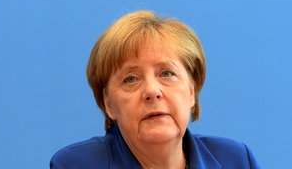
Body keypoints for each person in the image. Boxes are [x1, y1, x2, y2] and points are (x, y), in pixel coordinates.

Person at [50, 10, 260, 169]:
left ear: (191, 91)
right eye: (130, 79)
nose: (152, 91)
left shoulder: (236, 160)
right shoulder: (76, 164)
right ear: (109, 103)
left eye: (166, 73)